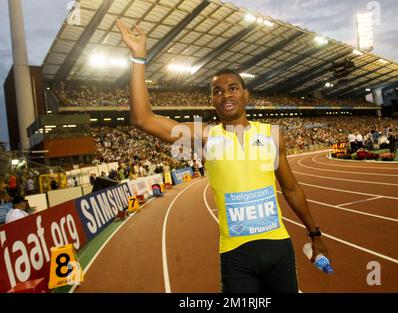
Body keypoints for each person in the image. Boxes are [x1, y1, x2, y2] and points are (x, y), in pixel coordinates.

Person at [116, 19, 329, 293]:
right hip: (236, 257)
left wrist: (315, 234)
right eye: (217, 91)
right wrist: (138, 57)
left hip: (279, 248)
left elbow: (291, 187)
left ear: (246, 94)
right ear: (212, 101)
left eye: (232, 88)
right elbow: (143, 118)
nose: (225, 94)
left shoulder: (273, 135)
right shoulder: (206, 137)